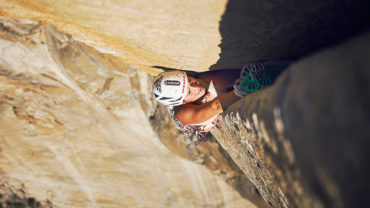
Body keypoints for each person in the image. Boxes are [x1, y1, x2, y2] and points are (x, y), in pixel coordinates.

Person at [152, 61, 292, 143]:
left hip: (213, 93)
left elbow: (237, 76)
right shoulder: (183, 114)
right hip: (202, 116)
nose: (195, 87)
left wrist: (247, 79)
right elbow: (215, 107)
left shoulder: (204, 80)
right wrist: (240, 91)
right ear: (182, 101)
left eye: (190, 81)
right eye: (188, 91)